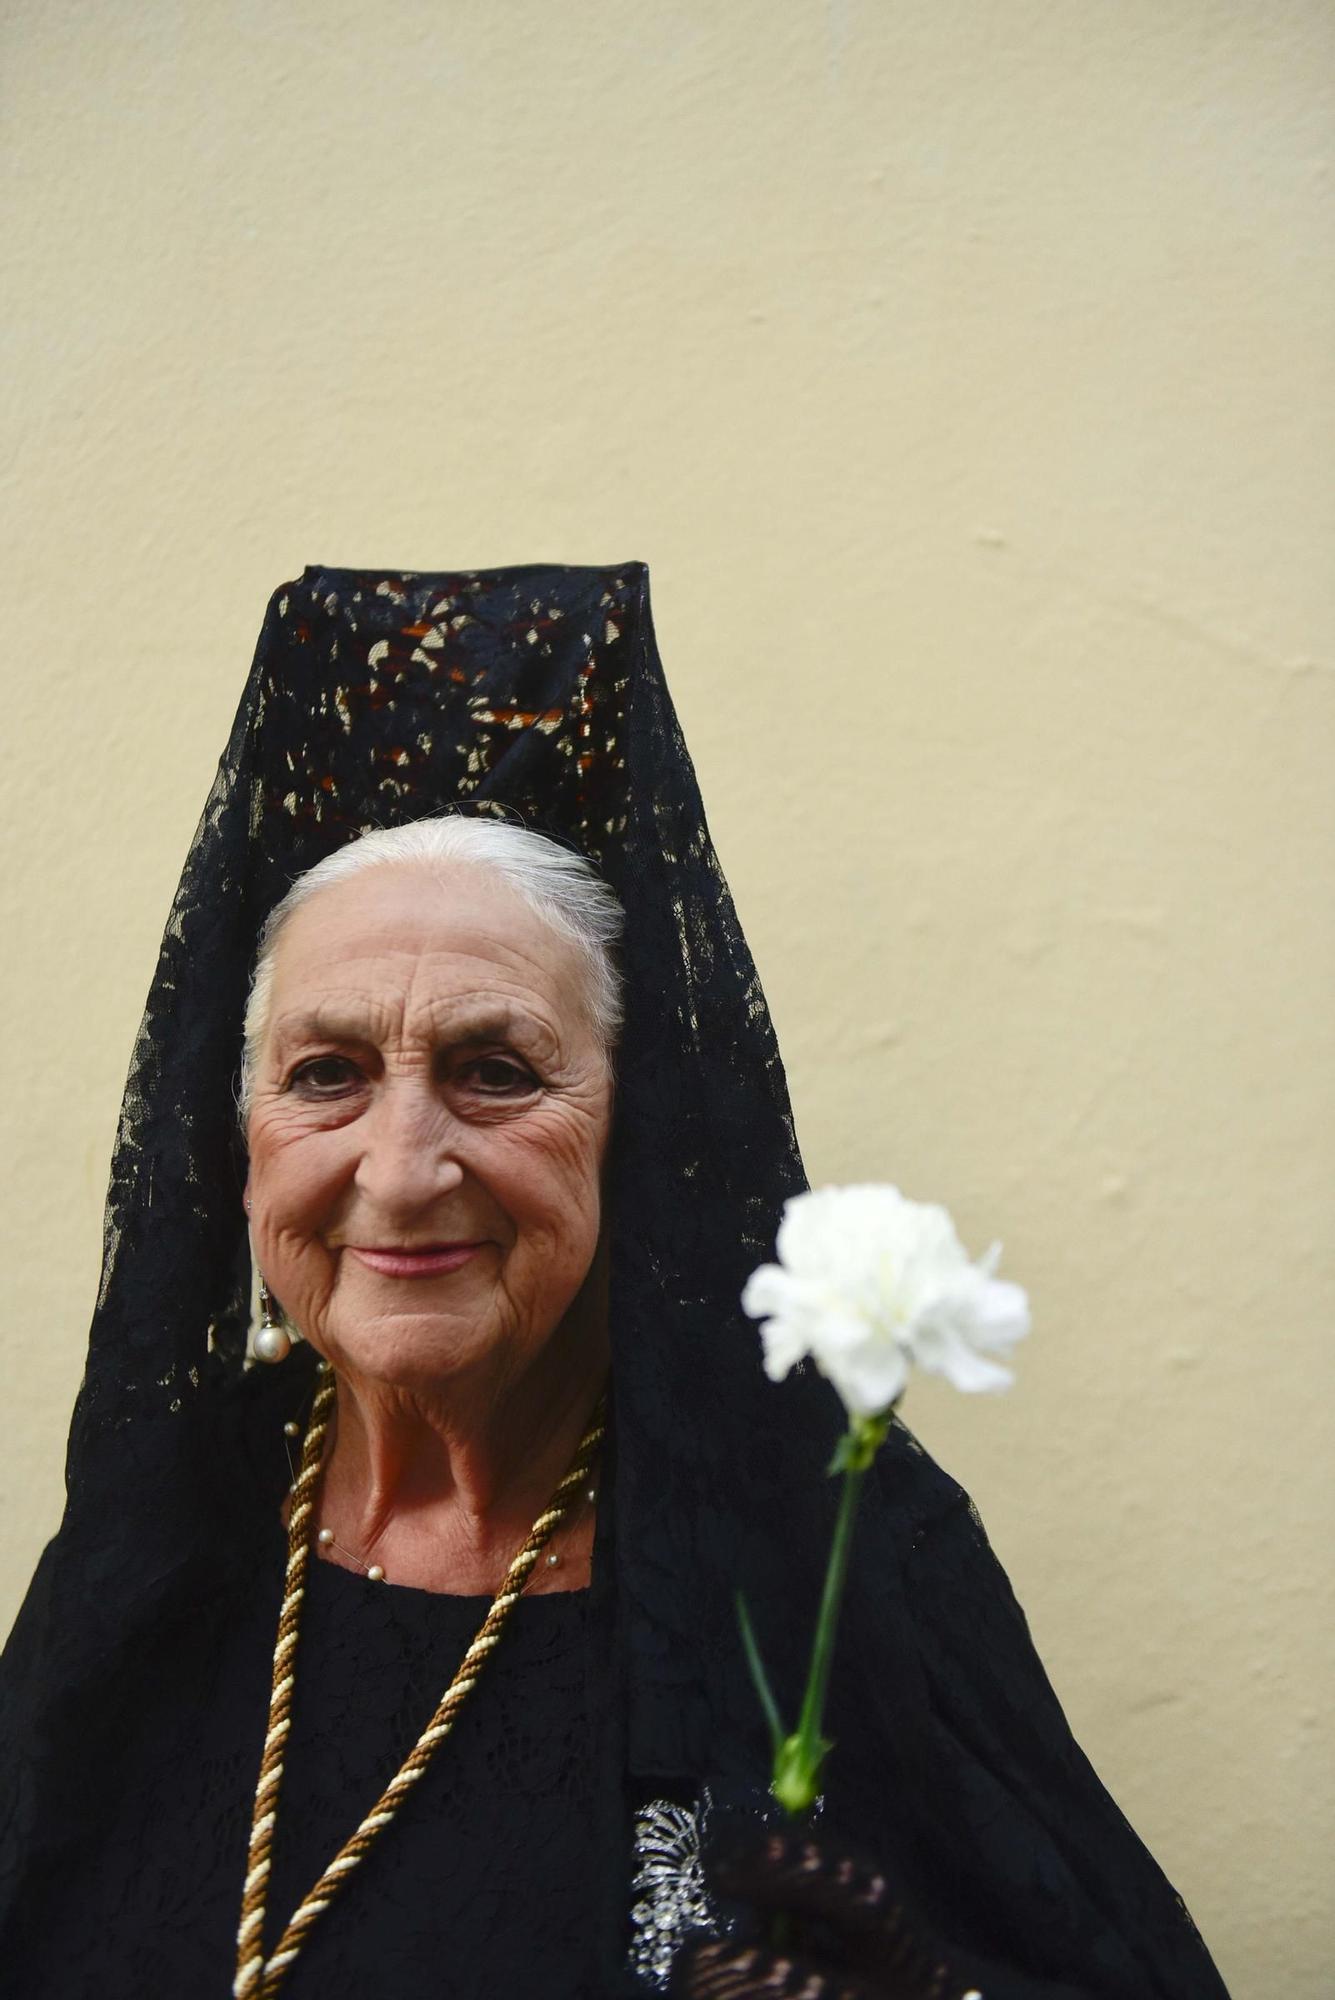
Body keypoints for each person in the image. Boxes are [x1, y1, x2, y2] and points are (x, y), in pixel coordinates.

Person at [0, 561, 1230, 2000]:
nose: (399, 1171)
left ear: (634, 1130)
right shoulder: (178, 1521)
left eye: (496, 1073)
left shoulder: (823, 1553)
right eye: (326, 1075)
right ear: (239, 1141)